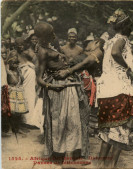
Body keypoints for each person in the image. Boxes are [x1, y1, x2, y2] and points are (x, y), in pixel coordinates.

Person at [34, 22, 90, 164]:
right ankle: (66, 159)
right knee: (62, 122)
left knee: (74, 121)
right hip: (59, 89)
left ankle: (71, 156)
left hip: (68, 86)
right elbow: (39, 78)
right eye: (50, 33)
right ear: (45, 36)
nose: (54, 34)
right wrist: (52, 86)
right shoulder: (42, 51)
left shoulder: (49, 47)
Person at [96, 9, 133, 168]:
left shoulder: (109, 41)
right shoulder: (122, 39)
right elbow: (116, 53)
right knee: (121, 128)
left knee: (108, 129)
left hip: (106, 89)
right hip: (120, 88)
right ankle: (112, 165)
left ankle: (100, 165)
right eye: (129, 26)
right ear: (125, 26)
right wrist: (127, 68)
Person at [15, 37, 37, 128]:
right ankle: (24, 120)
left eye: (22, 45)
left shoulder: (27, 53)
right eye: (19, 45)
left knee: (31, 96)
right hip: (22, 77)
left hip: (30, 76)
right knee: (23, 97)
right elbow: (11, 64)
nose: (21, 47)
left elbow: (37, 61)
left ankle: (31, 120)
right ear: (16, 46)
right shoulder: (14, 53)